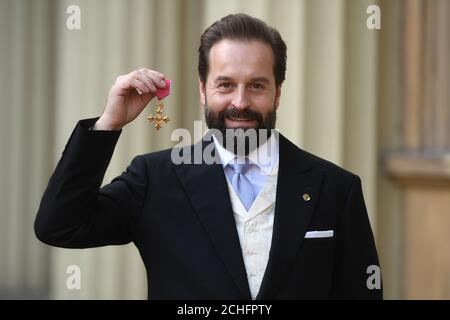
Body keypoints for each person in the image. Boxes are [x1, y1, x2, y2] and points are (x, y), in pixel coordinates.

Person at [34, 13, 382, 300]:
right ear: (203, 88)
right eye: (226, 84)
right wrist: (108, 124)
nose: (240, 102)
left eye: (257, 86)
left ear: (277, 93)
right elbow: (60, 226)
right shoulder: (155, 179)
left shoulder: (336, 188)